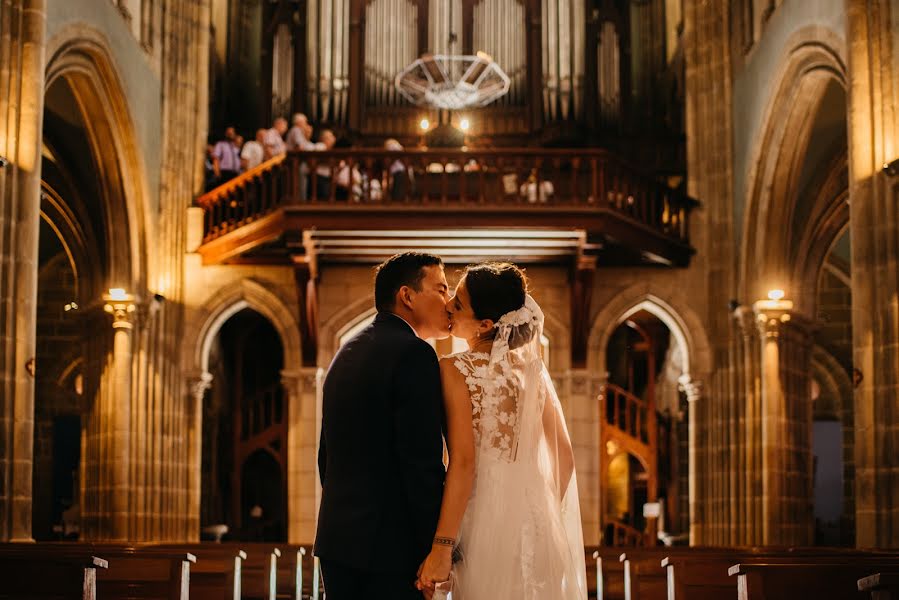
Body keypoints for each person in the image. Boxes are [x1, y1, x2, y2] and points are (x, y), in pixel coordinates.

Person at [417, 262, 588, 599]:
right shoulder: (533, 375)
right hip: (537, 529)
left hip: (483, 525)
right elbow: (565, 459)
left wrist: (442, 546)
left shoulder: (455, 369)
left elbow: (463, 463)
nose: (448, 304)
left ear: (485, 325)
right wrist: (536, 508)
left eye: (459, 304)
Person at [315, 253, 474, 600]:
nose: (448, 302)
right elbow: (420, 464)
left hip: (338, 543)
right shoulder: (413, 354)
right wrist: (435, 550)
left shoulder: (347, 351)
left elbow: (327, 456)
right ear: (407, 295)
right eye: (441, 288)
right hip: (389, 553)